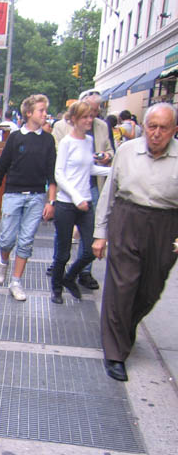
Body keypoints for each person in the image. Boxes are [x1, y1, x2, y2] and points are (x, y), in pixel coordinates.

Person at [92, 103, 178, 382]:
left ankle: (125, 327)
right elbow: (109, 193)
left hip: (166, 225)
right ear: (144, 127)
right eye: (152, 126)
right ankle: (115, 351)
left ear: (174, 131)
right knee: (122, 285)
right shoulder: (128, 152)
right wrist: (100, 233)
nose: (156, 134)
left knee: (151, 288)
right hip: (127, 218)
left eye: (163, 128)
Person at [0, 94, 56, 301]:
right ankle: (3, 261)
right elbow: (2, 167)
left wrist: (51, 202)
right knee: (7, 239)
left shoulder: (48, 140)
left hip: (36, 196)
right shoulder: (16, 138)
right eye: (41, 110)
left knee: (26, 241)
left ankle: (16, 281)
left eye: (45, 110)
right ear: (29, 113)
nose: (45, 114)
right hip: (14, 194)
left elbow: (52, 173)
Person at [50, 90, 113, 289]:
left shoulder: (89, 141)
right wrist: (76, 197)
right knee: (63, 252)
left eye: (92, 115)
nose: (90, 119)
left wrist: (112, 171)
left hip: (87, 199)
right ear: (74, 119)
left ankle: (71, 277)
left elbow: (90, 167)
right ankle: (57, 287)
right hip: (67, 203)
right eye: (85, 116)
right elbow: (59, 173)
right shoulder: (67, 141)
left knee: (89, 250)